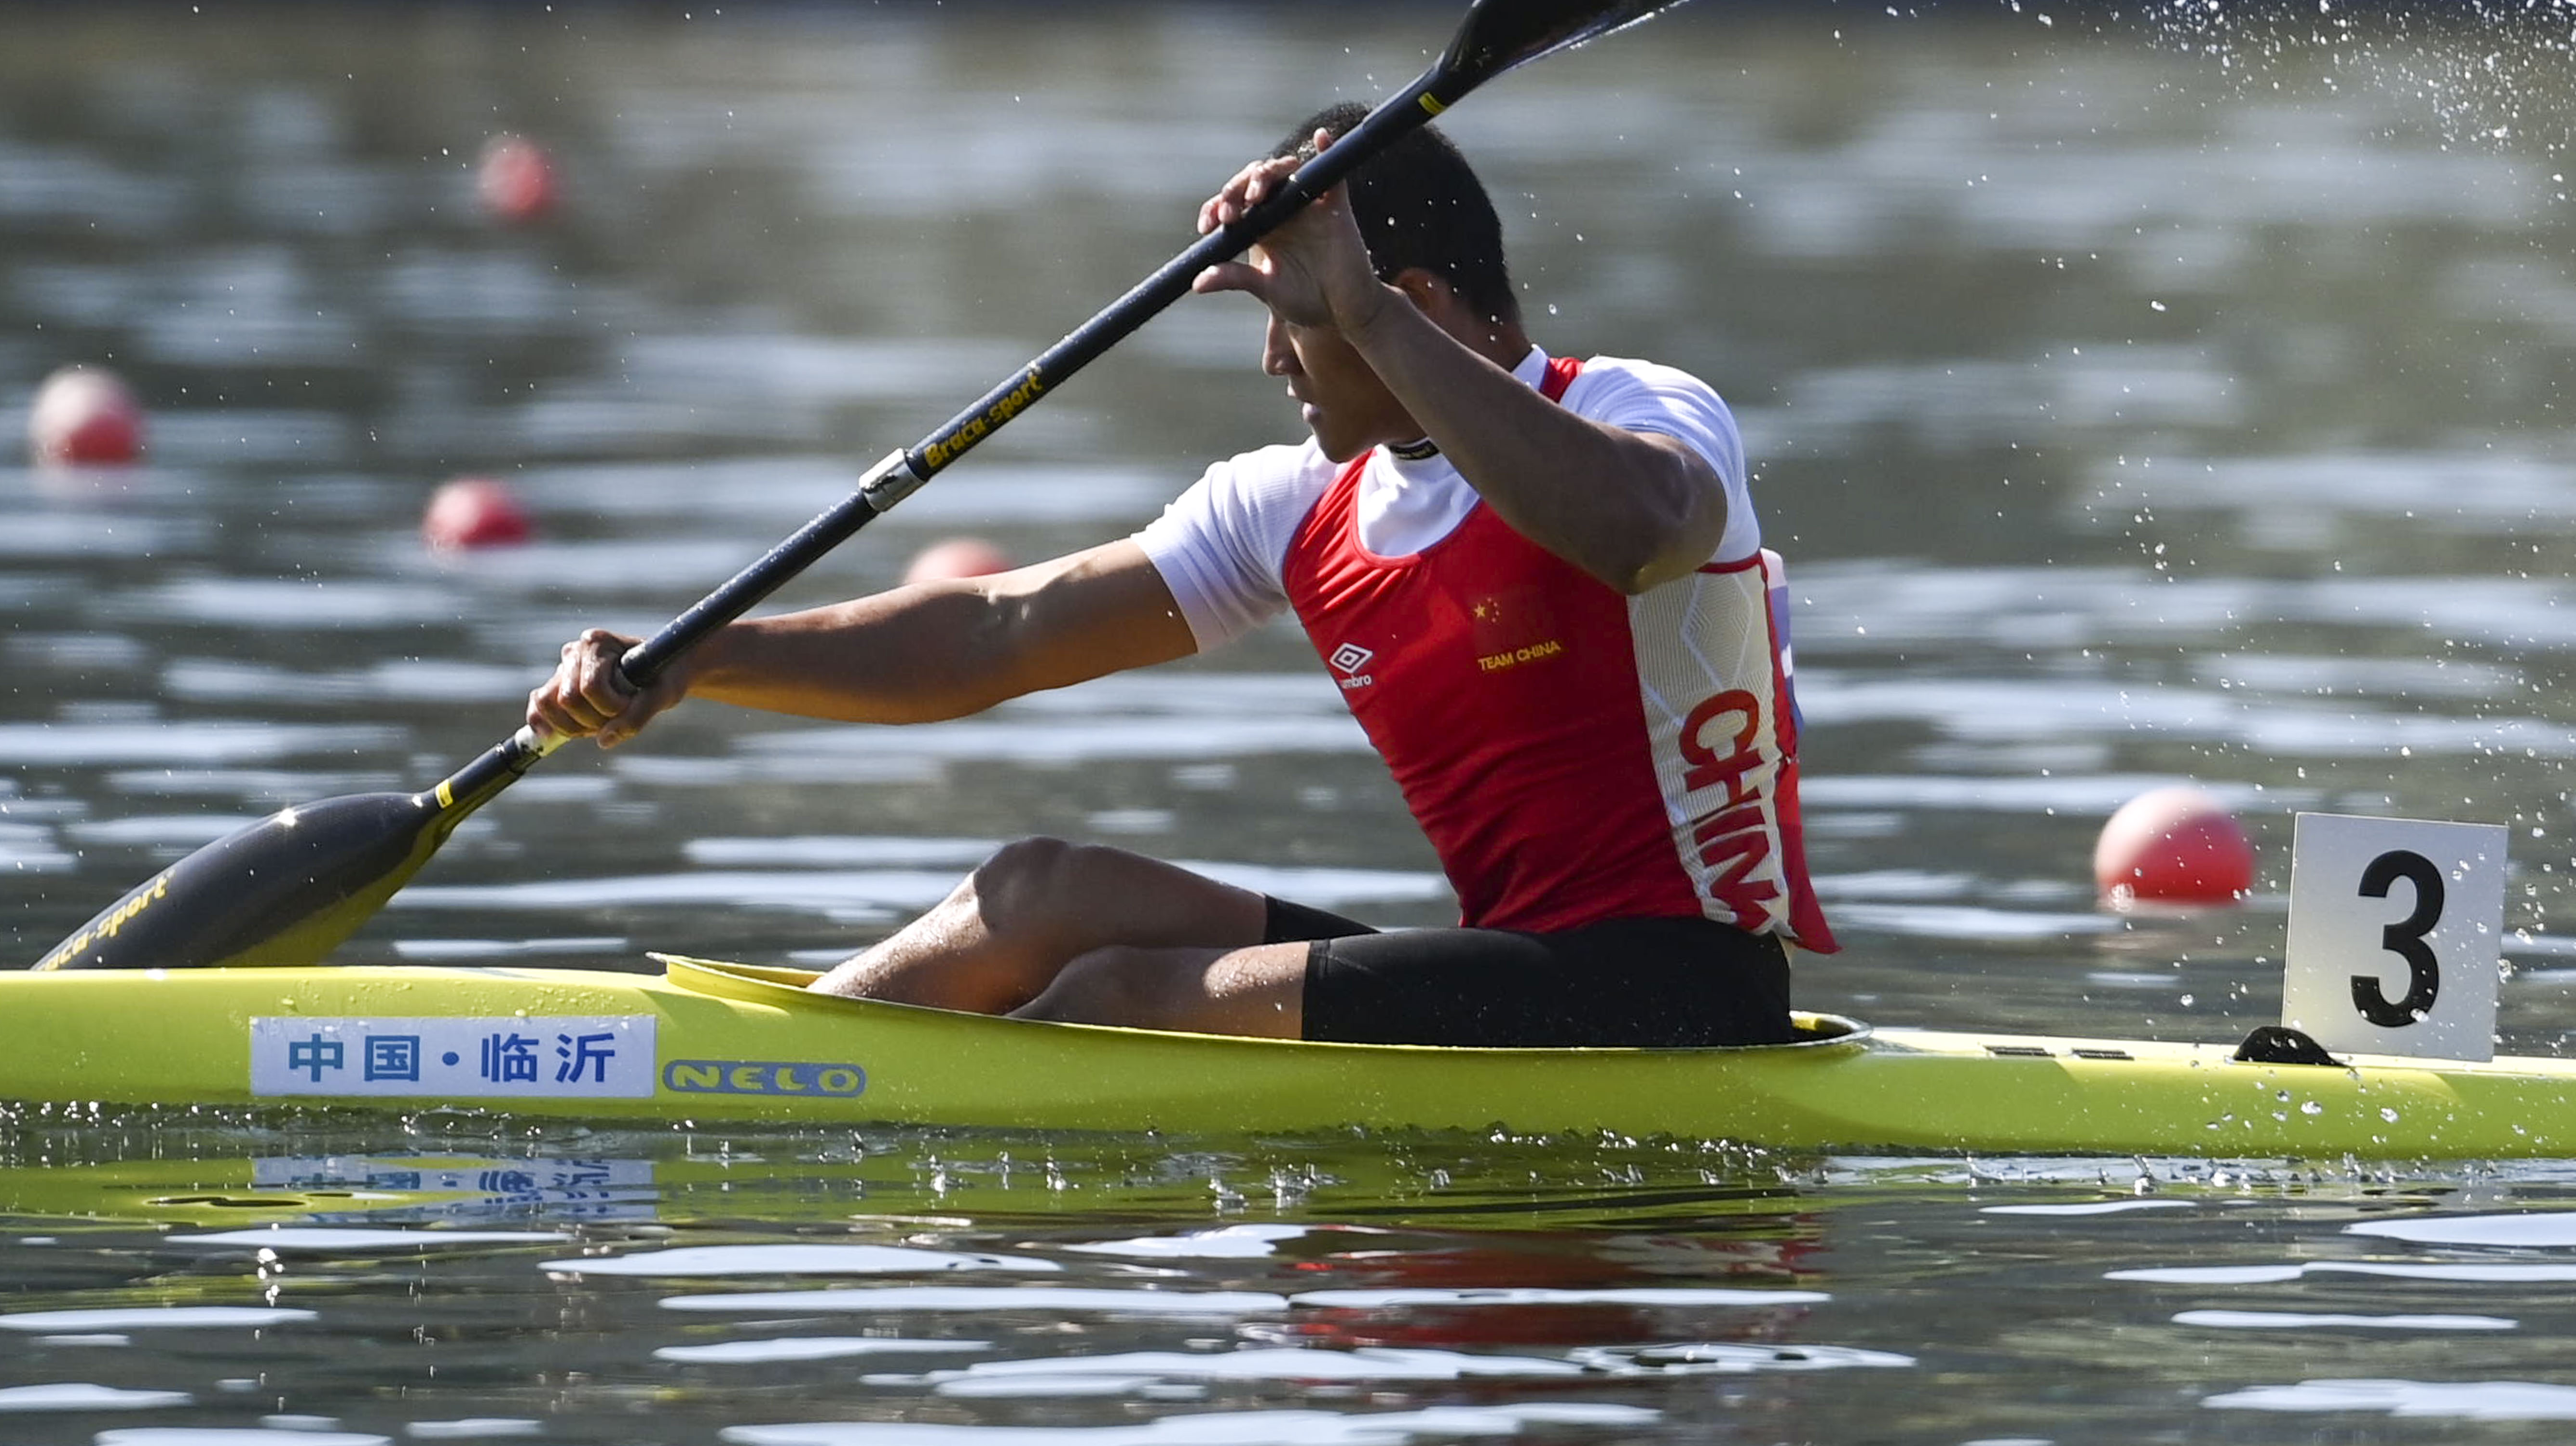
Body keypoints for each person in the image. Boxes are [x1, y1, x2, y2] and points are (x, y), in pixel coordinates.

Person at [526, 103, 1829, 1049]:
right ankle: (776, 1070)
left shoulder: (1638, 412)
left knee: (1118, 998)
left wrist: (1363, 313)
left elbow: (1639, 535)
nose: (1274, 359)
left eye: (1296, 316)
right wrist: (700, 659)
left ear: (1415, 302)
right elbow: (994, 630)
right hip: (1515, 975)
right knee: (1042, 892)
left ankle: (889, 1147)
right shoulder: (1296, 502)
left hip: (1682, 990)